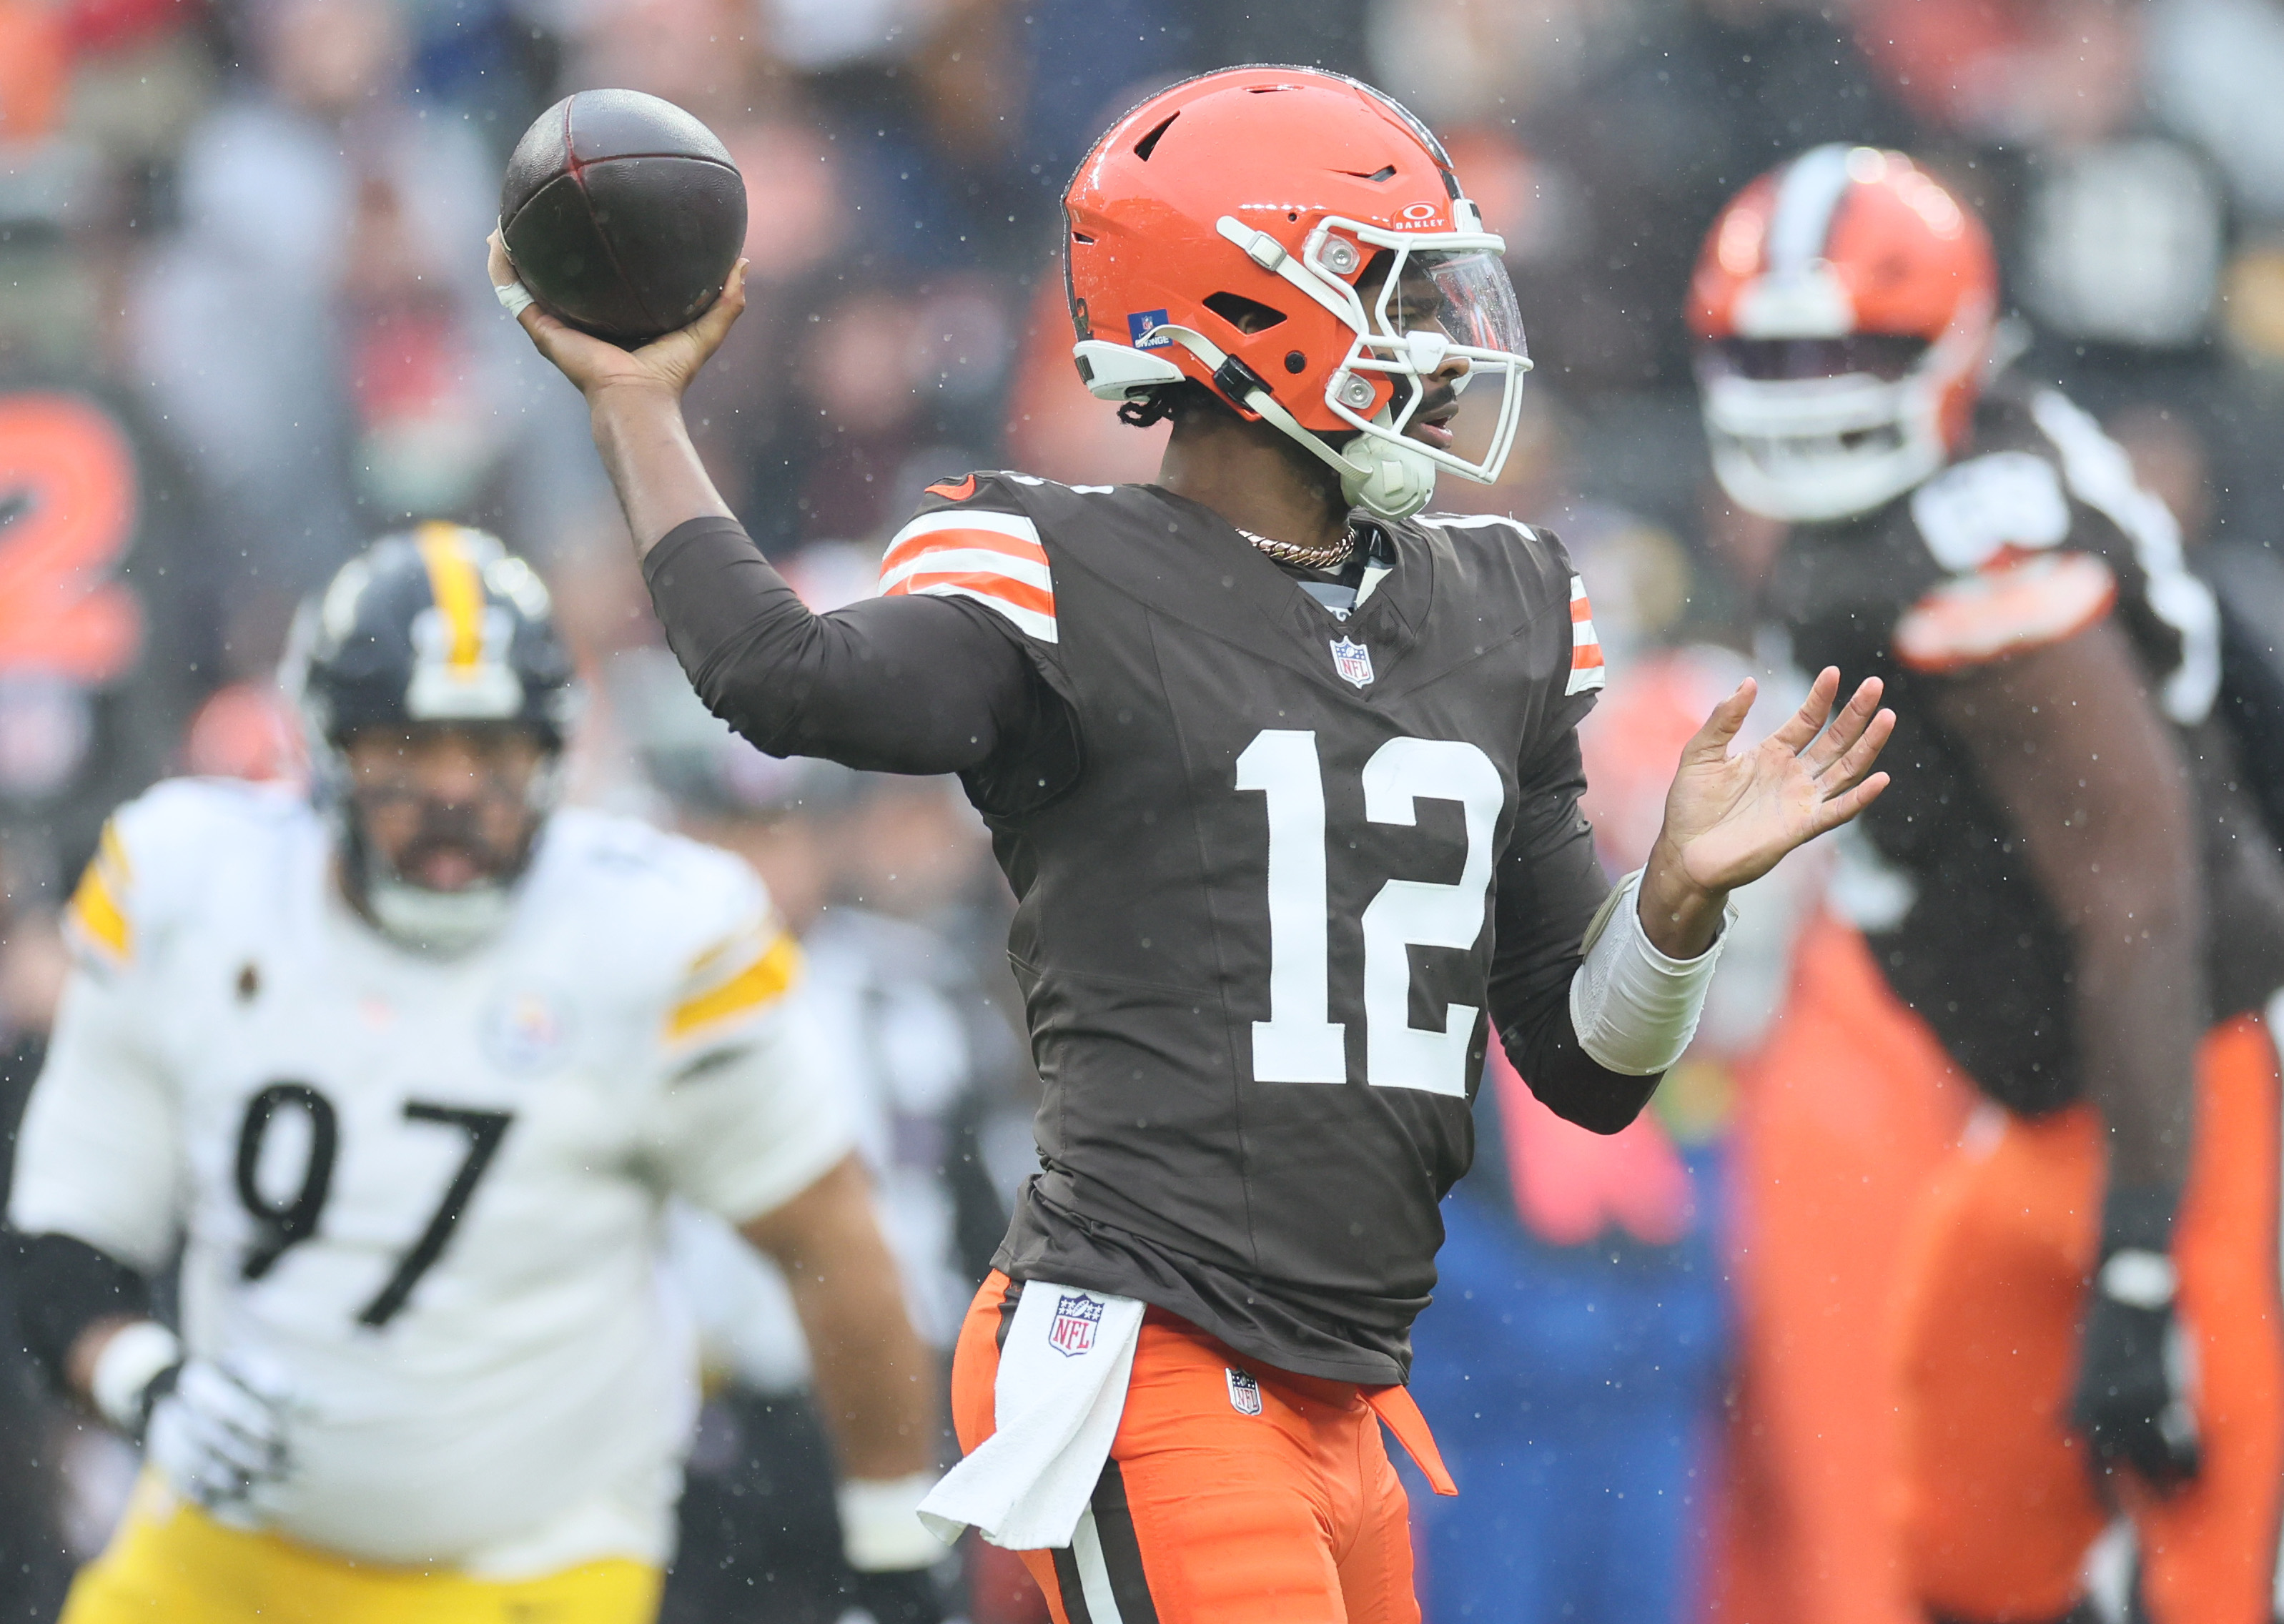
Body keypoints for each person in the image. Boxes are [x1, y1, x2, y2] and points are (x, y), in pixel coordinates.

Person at [496, 65, 1893, 1624]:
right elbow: (784, 675)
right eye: (1395, 289)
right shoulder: (1064, 569)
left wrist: (1680, 903)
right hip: (1146, 1346)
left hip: (1348, 1393)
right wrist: (636, 404)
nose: (1441, 340)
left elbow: (1585, 1063)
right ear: (1252, 312)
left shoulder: (1494, 602)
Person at [4, 523, 944, 1624]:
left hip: (534, 1565)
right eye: (407, 746)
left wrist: (894, 1557)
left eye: (492, 751)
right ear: (324, 743)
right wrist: (148, 1386)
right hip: (228, 1546)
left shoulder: (653, 937)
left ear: (555, 754)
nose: (454, 791)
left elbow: (834, 1246)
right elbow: (66, 1245)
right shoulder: (187, 886)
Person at [1687, 144, 2284, 1623]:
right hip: (2035, 1120)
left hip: (2179, 1100)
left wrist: (2142, 1255)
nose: (1809, 387)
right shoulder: (1910, 503)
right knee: (1959, 1556)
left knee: (2204, 1559)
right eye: (1772, 353)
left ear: (1946, 341)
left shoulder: (1973, 548)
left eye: (1842, 348)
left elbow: (2138, 902)